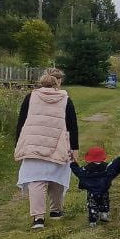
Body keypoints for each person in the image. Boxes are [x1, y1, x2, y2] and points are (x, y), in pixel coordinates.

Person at [15, 68, 79, 230]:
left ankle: (38, 218)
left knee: (36, 180)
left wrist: (18, 144)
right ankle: (56, 211)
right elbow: (72, 126)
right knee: (57, 178)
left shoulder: (30, 97)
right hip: (58, 145)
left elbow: (21, 122)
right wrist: (75, 149)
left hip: (33, 145)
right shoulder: (65, 99)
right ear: (59, 81)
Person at [70, 146, 120, 225]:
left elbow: (78, 171)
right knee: (104, 202)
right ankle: (104, 214)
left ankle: (93, 220)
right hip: (104, 190)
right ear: (103, 158)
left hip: (92, 192)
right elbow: (116, 164)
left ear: (89, 159)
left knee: (92, 205)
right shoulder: (107, 168)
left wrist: (73, 163)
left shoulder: (85, 169)